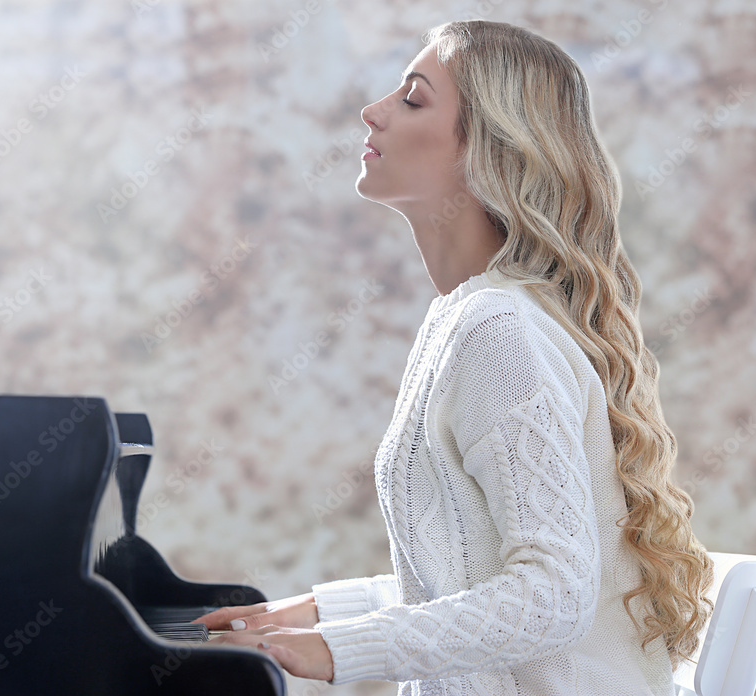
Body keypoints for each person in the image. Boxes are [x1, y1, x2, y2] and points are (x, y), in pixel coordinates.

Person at [198, 19, 714, 695]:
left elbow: (552, 598)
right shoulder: (469, 315)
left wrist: (336, 649)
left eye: (413, 98)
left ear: (491, 150)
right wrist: (318, 613)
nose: (372, 111)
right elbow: (468, 568)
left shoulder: (499, 329)